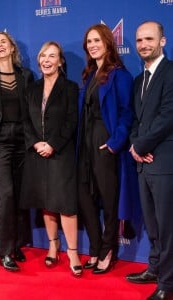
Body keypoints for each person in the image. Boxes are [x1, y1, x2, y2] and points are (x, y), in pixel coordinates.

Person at [20, 41, 82, 277]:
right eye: (43, 55)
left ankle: (73, 252)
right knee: (46, 201)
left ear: (60, 61)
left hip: (60, 153)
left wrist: (53, 145)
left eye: (52, 56)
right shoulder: (31, 89)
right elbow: (25, 121)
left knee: (65, 202)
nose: (46, 60)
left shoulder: (70, 87)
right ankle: (53, 244)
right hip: (37, 153)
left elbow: (71, 121)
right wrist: (36, 143)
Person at [77, 24, 135, 274]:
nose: (92, 45)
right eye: (89, 41)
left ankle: (108, 249)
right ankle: (95, 246)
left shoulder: (120, 74)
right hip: (86, 141)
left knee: (109, 200)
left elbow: (126, 113)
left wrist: (114, 143)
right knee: (85, 196)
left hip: (105, 141)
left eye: (97, 40)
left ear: (108, 43)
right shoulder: (90, 73)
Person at [126, 21, 173, 300]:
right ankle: (154, 269)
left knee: (168, 228)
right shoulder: (137, 80)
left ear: (162, 41)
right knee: (153, 225)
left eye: (149, 39)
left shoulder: (171, 73)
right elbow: (137, 120)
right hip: (143, 162)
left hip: (165, 162)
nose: (144, 44)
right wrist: (135, 146)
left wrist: (141, 145)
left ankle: (167, 285)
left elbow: (168, 116)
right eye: (139, 40)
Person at [0, 32, 33, 271]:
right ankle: (4, 252)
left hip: (23, 141)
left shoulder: (26, 76)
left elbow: (32, 111)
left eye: (4, 42)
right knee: (8, 194)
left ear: (12, 48)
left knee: (21, 194)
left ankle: (18, 245)